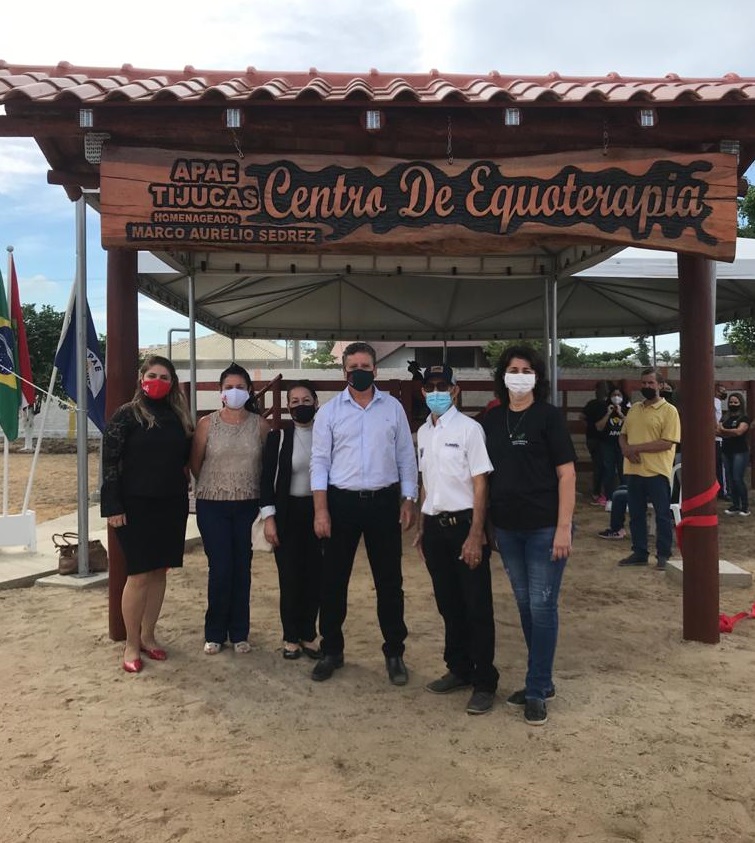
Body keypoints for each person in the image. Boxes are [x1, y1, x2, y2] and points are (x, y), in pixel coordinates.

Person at [310, 341, 418, 684]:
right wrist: (321, 510)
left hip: (384, 503)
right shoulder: (328, 412)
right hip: (341, 504)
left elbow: (405, 456)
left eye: (366, 366)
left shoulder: (393, 408)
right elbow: (320, 463)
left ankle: (395, 652)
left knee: (389, 582)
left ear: (376, 369)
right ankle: (331, 649)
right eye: (353, 366)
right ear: (344, 371)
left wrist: (408, 499)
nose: (359, 371)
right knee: (332, 580)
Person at [482, 345, 576, 726]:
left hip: (543, 528)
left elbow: (567, 474)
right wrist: (486, 526)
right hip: (507, 528)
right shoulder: (491, 421)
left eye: (526, 369)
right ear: (502, 375)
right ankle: (543, 677)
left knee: (542, 606)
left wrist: (563, 528)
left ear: (537, 376)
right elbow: (483, 477)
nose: (519, 375)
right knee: (525, 605)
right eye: (512, 368)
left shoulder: (549, 418)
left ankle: (536, 688)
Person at [414, 364, 498, 715]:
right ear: (423, 391)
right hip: (434, 527)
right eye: (429, 386)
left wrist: (476, 534)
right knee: (448, 603)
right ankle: (459, 668)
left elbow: (481, 483)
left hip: (464, 526)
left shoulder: (469, 430)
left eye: (442, 385)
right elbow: (426, 482)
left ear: (455, 390)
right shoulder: (423, 432)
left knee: (476, 604)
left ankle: (484, 680)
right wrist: (422, 525)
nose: (436, 391)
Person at [101, 355, 193, 673]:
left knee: (159, 572)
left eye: (165, 377)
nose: (158, 381)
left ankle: (149, 636)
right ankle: (130, 642)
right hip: (134, 505)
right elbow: (109, 462)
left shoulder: (179, 416)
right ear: (142, 378)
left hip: (171, 504)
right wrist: (112, 506)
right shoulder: (126, 415)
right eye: (153, 374)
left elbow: (187, 458)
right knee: (139, 574)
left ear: (173, 383)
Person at [190, 363, 270, 655]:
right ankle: (214, 632)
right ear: (220, 391)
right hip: (213, 504)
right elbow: (196, 463)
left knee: (242, 568)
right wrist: (217, 484)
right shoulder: (206, 424)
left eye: (240, 387)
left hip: (248, 504)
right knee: (220, 568)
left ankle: (239, 632)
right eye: (229, 387)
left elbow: (266, 465)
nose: (234, 392)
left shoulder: (260, 426)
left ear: (249, 391)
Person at [259, 380, 323, 660]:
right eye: (294, 401)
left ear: (316, 403)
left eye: (306, 400)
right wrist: (269, 518)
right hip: (287, 514)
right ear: (287, 407)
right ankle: (290, 637)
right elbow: (265, 481)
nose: (300, 406)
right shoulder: (279, 438)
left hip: (319, 513)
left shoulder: (328, 435)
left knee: (315, 576)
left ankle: (309, 635)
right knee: (290, 577)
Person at [618, 368, 681, 571]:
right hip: (633, 469)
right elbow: (623, 434)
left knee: (662, 514)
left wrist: (635, 448)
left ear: (661, 385)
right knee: (636, 514)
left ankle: (663, 554)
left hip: (657, 471)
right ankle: (639, 552)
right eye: (643, 383)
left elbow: (667, 442)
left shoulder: (669, 411)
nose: (646, 387)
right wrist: (626, 450)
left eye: (650, 383)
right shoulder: (634, 408)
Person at [595, 385, 628, 503]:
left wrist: (620, 414)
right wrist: (608, 414)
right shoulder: (604, 408)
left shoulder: (627, 408)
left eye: (619, 395)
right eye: (614, 395)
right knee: (608, 471)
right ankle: (609, 498)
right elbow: (599, 427)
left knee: (623, 471)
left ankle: (625, 497)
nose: (616, 397)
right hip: (607, 444)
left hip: (622, 444)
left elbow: (632, 426)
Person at [718, 393, 751, 517]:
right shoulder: (725, 417)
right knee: (731, 480)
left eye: (735, 402)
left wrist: (725, 431)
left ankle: (745, 506)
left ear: (741, 403)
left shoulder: (744, 418)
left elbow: (739, 432)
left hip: (740, 452)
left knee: (738, 478)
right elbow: (716, 430)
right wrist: (727, 432)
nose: (733, 404)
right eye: (731, 402)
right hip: (726, 451)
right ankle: (735, 505)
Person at [581, 381, 610, 506]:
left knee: (600, 465)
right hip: (597, 439)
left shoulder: (594, 404)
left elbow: (581, 417)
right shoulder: (596, 404)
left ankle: (599, 491)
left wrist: (588, 425)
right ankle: (598, 492)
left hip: (596, 438)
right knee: (600, 465)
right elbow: (582, 417)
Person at [714, 382, 729, 499]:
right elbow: (715, 419)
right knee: (720, 466)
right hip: (716, 438)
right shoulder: (716, 402)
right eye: (720, 391)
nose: (723, 393)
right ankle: (722, 491)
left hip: (716, 437)